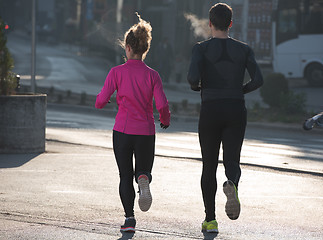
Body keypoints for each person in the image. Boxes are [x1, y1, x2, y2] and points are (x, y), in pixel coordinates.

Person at [187, 3, 263, 233]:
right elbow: (258, 80)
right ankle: (233, 185)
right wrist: (241, 90)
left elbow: (191, 78)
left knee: (208, 166)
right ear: (230, 24)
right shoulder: (244, 50)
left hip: (210, 108)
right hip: (235, 108)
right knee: (232, 160)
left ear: (210, 23)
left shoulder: (201, 49)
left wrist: (197, 86)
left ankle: (210, 220)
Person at [95, 13, 170, 233]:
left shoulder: (116, 72)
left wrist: (105, 100)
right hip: (146, 131)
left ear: (127, 47)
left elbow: (100, 101)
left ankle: (129, 219)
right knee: (142, 171)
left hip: (122, 131)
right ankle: (144, 178)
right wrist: (164, 120)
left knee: (124, 176)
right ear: (144, 49)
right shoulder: (153, 75)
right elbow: (162, 105)